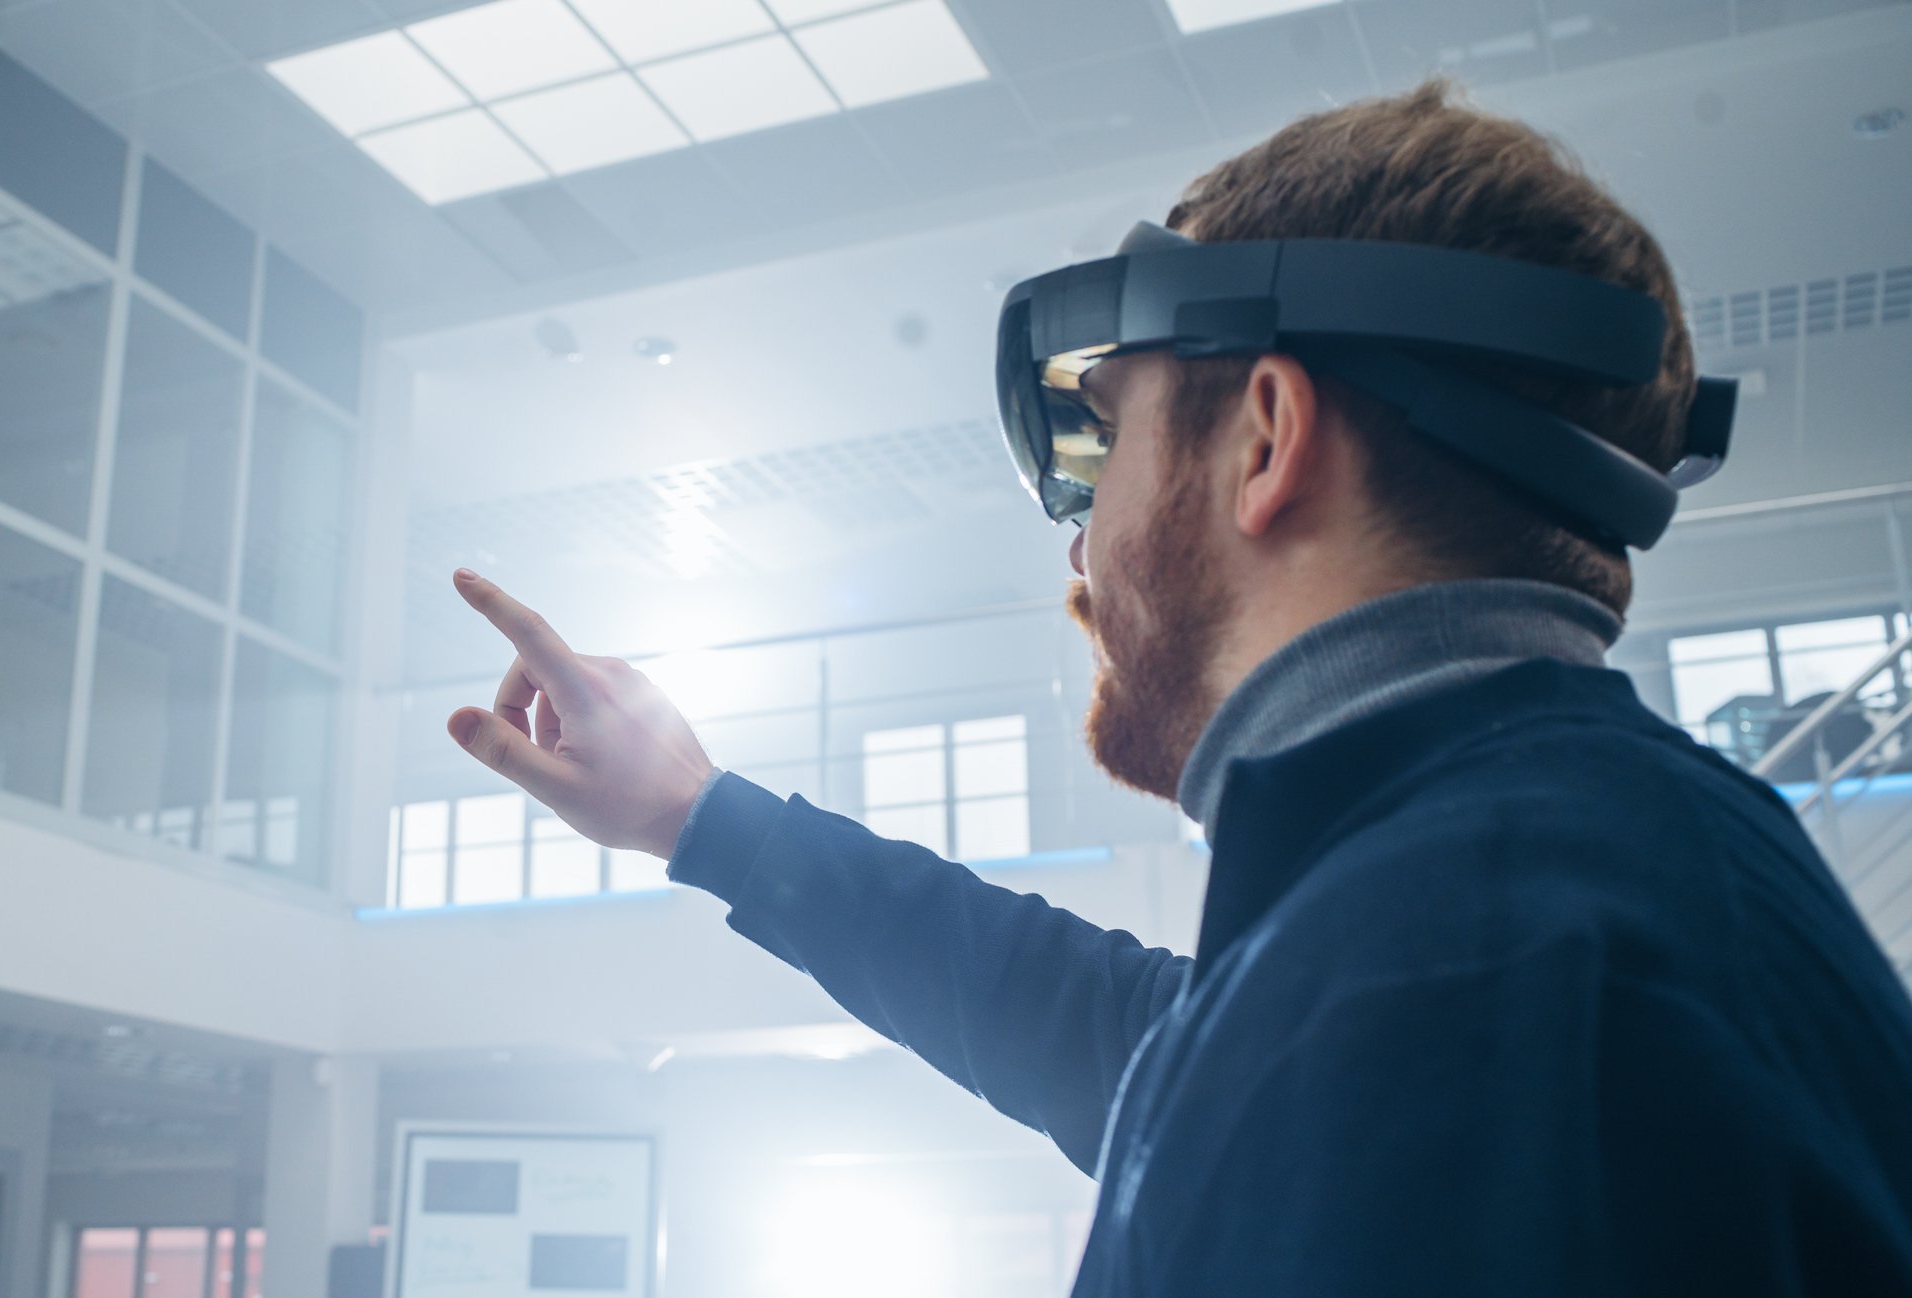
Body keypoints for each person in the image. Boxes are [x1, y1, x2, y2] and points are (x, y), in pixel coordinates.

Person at [442, 81, 1912, 1294]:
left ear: (1264, 437)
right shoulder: (1513, 892)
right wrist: (701, 815)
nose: (1079, 536)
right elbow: (1133, 1035)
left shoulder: (1470, 970)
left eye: (1108, 435)